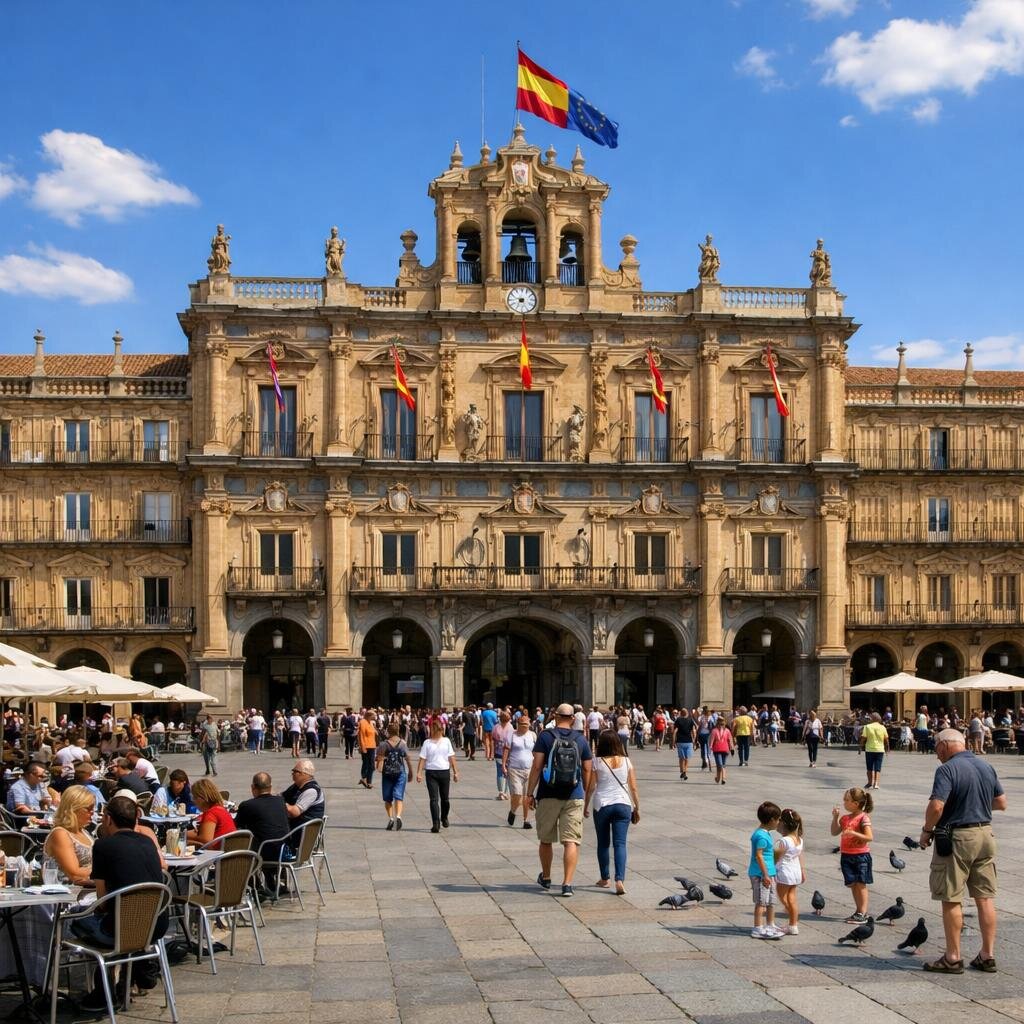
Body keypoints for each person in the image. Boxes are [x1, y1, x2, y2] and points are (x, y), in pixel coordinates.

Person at [919, 728, 1006, 974]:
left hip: (958, 838)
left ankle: (953, 957)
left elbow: (936, 807)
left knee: (951, 897)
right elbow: (1001, 802)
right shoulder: (985, 766)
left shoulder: (947, 769)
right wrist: (975, 804)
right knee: (985, 897)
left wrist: (927, 830)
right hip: (985, 834)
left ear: (944, 745)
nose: (936, 754)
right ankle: (987, 955)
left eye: (936, 748)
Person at [75, 795, 167, 1010]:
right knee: (120, 921)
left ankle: (102, 992)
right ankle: (134, 971)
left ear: (108, 819)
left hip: (121, 929)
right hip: (155, 926)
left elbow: (102, 901)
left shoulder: (103, 846)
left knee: (77, 921)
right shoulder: (147, 841)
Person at [526, 702, 594, 898]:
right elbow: (587, 769)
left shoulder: (545, 736)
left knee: (546, 839)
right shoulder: (581, 739)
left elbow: (537, 766)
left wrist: (529, 793)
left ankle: (546, 877)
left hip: (548, 794)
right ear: (573, 719)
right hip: (574, 795)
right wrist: (584, 791)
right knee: (571, 841)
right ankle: (567, 884)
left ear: (555, 716)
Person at [584, 730, 639, 896]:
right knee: (620, 843)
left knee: (603, 843)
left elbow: (591, 787)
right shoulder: (626, 761)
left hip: (602, 805)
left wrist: (585, 805)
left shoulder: (597, 761)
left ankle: (605, 878)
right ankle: (619, 880)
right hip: (623, 804)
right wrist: (637, 807)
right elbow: (633, 788)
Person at [234, 771, 290, 893]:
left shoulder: (247, 805)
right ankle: (269, 883)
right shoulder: (280, 801)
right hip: (284, 849)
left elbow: (236, 827)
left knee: (239, 845)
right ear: (270, 787)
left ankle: (253, 887)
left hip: (263, 852)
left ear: (253, 787)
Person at [831, 787, 874, 923]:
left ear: (856, 803)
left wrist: (854, 833)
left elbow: (869, 837)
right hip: (847, 856)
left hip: (861, 856)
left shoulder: (863, 818)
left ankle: (863, 913)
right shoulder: (845, 819)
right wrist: (835, 818)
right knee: (853, 884)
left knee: (861, 884)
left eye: (846, 800)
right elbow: (834, 832)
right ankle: (858, 911)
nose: (844, 802)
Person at [43, 784, 95, 886]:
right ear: (73, 809)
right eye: (88, 809)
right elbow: (74, 874)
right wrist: (106, 870)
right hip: (66, 892)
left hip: (88, 888)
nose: (92, 812)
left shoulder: (84, 833)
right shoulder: (60, 834)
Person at [749, 801, 784, 939]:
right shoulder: (761, 836)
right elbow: (759, 856)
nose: (779, 822)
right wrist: (765, 875)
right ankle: (757, 928)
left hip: (769, 873)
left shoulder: (765, 833)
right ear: (771, 820)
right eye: (778, 819)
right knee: (761, 902)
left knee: (770, 901)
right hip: (761, 874)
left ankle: (770, 924)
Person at [417, 720, 459, 833]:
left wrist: (455, 772)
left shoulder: (446, 741)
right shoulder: (427, 743)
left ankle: (444, 817)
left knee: (445, 799)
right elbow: (422, 758)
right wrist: (419, 773)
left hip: (444, 772)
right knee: (433, 799)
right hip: (431, 773)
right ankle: (435, 823)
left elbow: (452, 757)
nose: (433, 732)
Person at [375, 723, 414, 830]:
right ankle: (398, 816)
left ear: (388, 731)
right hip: (400, 772)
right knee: (399, 796)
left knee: (388, 798)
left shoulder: (383, 744)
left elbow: (378, 758)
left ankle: (391, 818)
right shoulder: (402, 744)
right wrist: (411, 772)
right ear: (398, 731)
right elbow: (408, 759)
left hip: (387, 773)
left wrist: (379, 762)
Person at [774, 808, 805, 935]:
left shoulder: (784, 841)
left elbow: (775, 858)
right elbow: (799, 856)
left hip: (785, 872)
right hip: (795, 872)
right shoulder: (799, 839)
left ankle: (792, 916)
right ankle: (793, 925)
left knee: (783, 898)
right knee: (792, 898)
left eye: (779, 820)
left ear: (784, 824)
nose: (777, 823)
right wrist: (802, 871)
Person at [502, 713, 536, 830]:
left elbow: (536, 752)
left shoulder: (533, 735)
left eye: (526, 724)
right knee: (517, 794)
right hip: (514, 768)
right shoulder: (512, 735)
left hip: (529, 769)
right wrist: (503, 765)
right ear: (518, 724)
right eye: (522, 724)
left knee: (527, 796)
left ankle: (526, 820)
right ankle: (513, 811)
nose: (525, 726)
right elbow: (506, 749)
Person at [186, 777, 237, 847]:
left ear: (201, 798)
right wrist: (182, 834)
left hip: (217, 852)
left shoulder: (211, 814)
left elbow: (206, 840)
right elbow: (201, 833)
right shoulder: (221, 810)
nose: (193, 801)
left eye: (194, 797)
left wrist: (188, 841)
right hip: (229, 850)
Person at [282, 758, 325, 833]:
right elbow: (282, 796)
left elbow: (295, 812)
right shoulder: (296, 786)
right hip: (294, 826)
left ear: (304, 774)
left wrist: (279, 803)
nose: (292, 773)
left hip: (301, 831)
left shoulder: (311, 791)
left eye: (295, 771)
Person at [859, 712, 889, 790]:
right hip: (880, 750)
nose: (870, 719)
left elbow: (863, 738)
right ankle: (876, 783)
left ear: (873, 718)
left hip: (869, 749)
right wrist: (887, 748)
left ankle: (870, 783)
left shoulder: (867, 727)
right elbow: (886, 739)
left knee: (869, 767)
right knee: (878, 767)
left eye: (871, 718)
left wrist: (860, 747)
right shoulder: (882, 727)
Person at [492, 710, 513, 801]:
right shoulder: (511, 727)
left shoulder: (496, 727)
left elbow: (493, 739)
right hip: (508, 753)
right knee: (507, 773)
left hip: (498, 752)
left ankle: (501, 792)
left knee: (499, 772)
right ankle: (505, 793)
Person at [672, 708, 696, 781]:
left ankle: (682, 771)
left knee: (681, 758)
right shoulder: (690, 720)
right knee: (687, 758)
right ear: (687, 713)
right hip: (689, 741)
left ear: (681, 713)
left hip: (680, 742)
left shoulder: (678, 720)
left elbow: (675, 731)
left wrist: (673, 742)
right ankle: (684, 771)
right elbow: (693, 731)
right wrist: (694, 740)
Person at [710, 718, 735, 785]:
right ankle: (718, 778)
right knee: (720, 765)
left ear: (724, 724)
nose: (721, 725)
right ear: (717, 724)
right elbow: (712, 740)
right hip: (717, 750)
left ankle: (723, 778)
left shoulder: (727, 731)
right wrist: (710, 747)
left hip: (725, 749)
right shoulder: (714, 731)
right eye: (720, 724)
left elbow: (730, 740)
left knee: (722, 765)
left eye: (722, 724)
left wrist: (732, 748)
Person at [357, 710, 378, 788]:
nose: (375, 717)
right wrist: (362, 747)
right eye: (374, 715)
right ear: (369, 715)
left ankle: (367, 780)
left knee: (372, 765)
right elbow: (361, 735)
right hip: (366, 746)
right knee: (366, 763)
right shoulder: (363, 722)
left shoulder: (371, 723)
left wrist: (375, 731)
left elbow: (373, 732)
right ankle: (365, 779)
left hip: (372, 746)